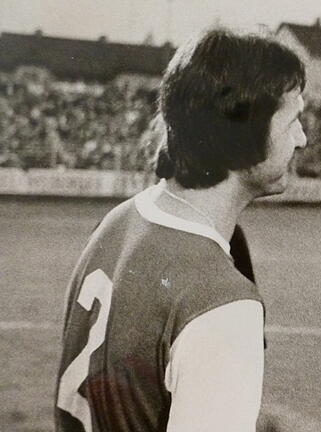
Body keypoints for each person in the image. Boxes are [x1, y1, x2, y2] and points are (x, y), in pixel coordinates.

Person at [54, 27, 307, 432]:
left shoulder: (116, 222)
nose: (302, 138)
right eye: (293, 120)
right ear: (242, 129)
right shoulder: (222, 304)